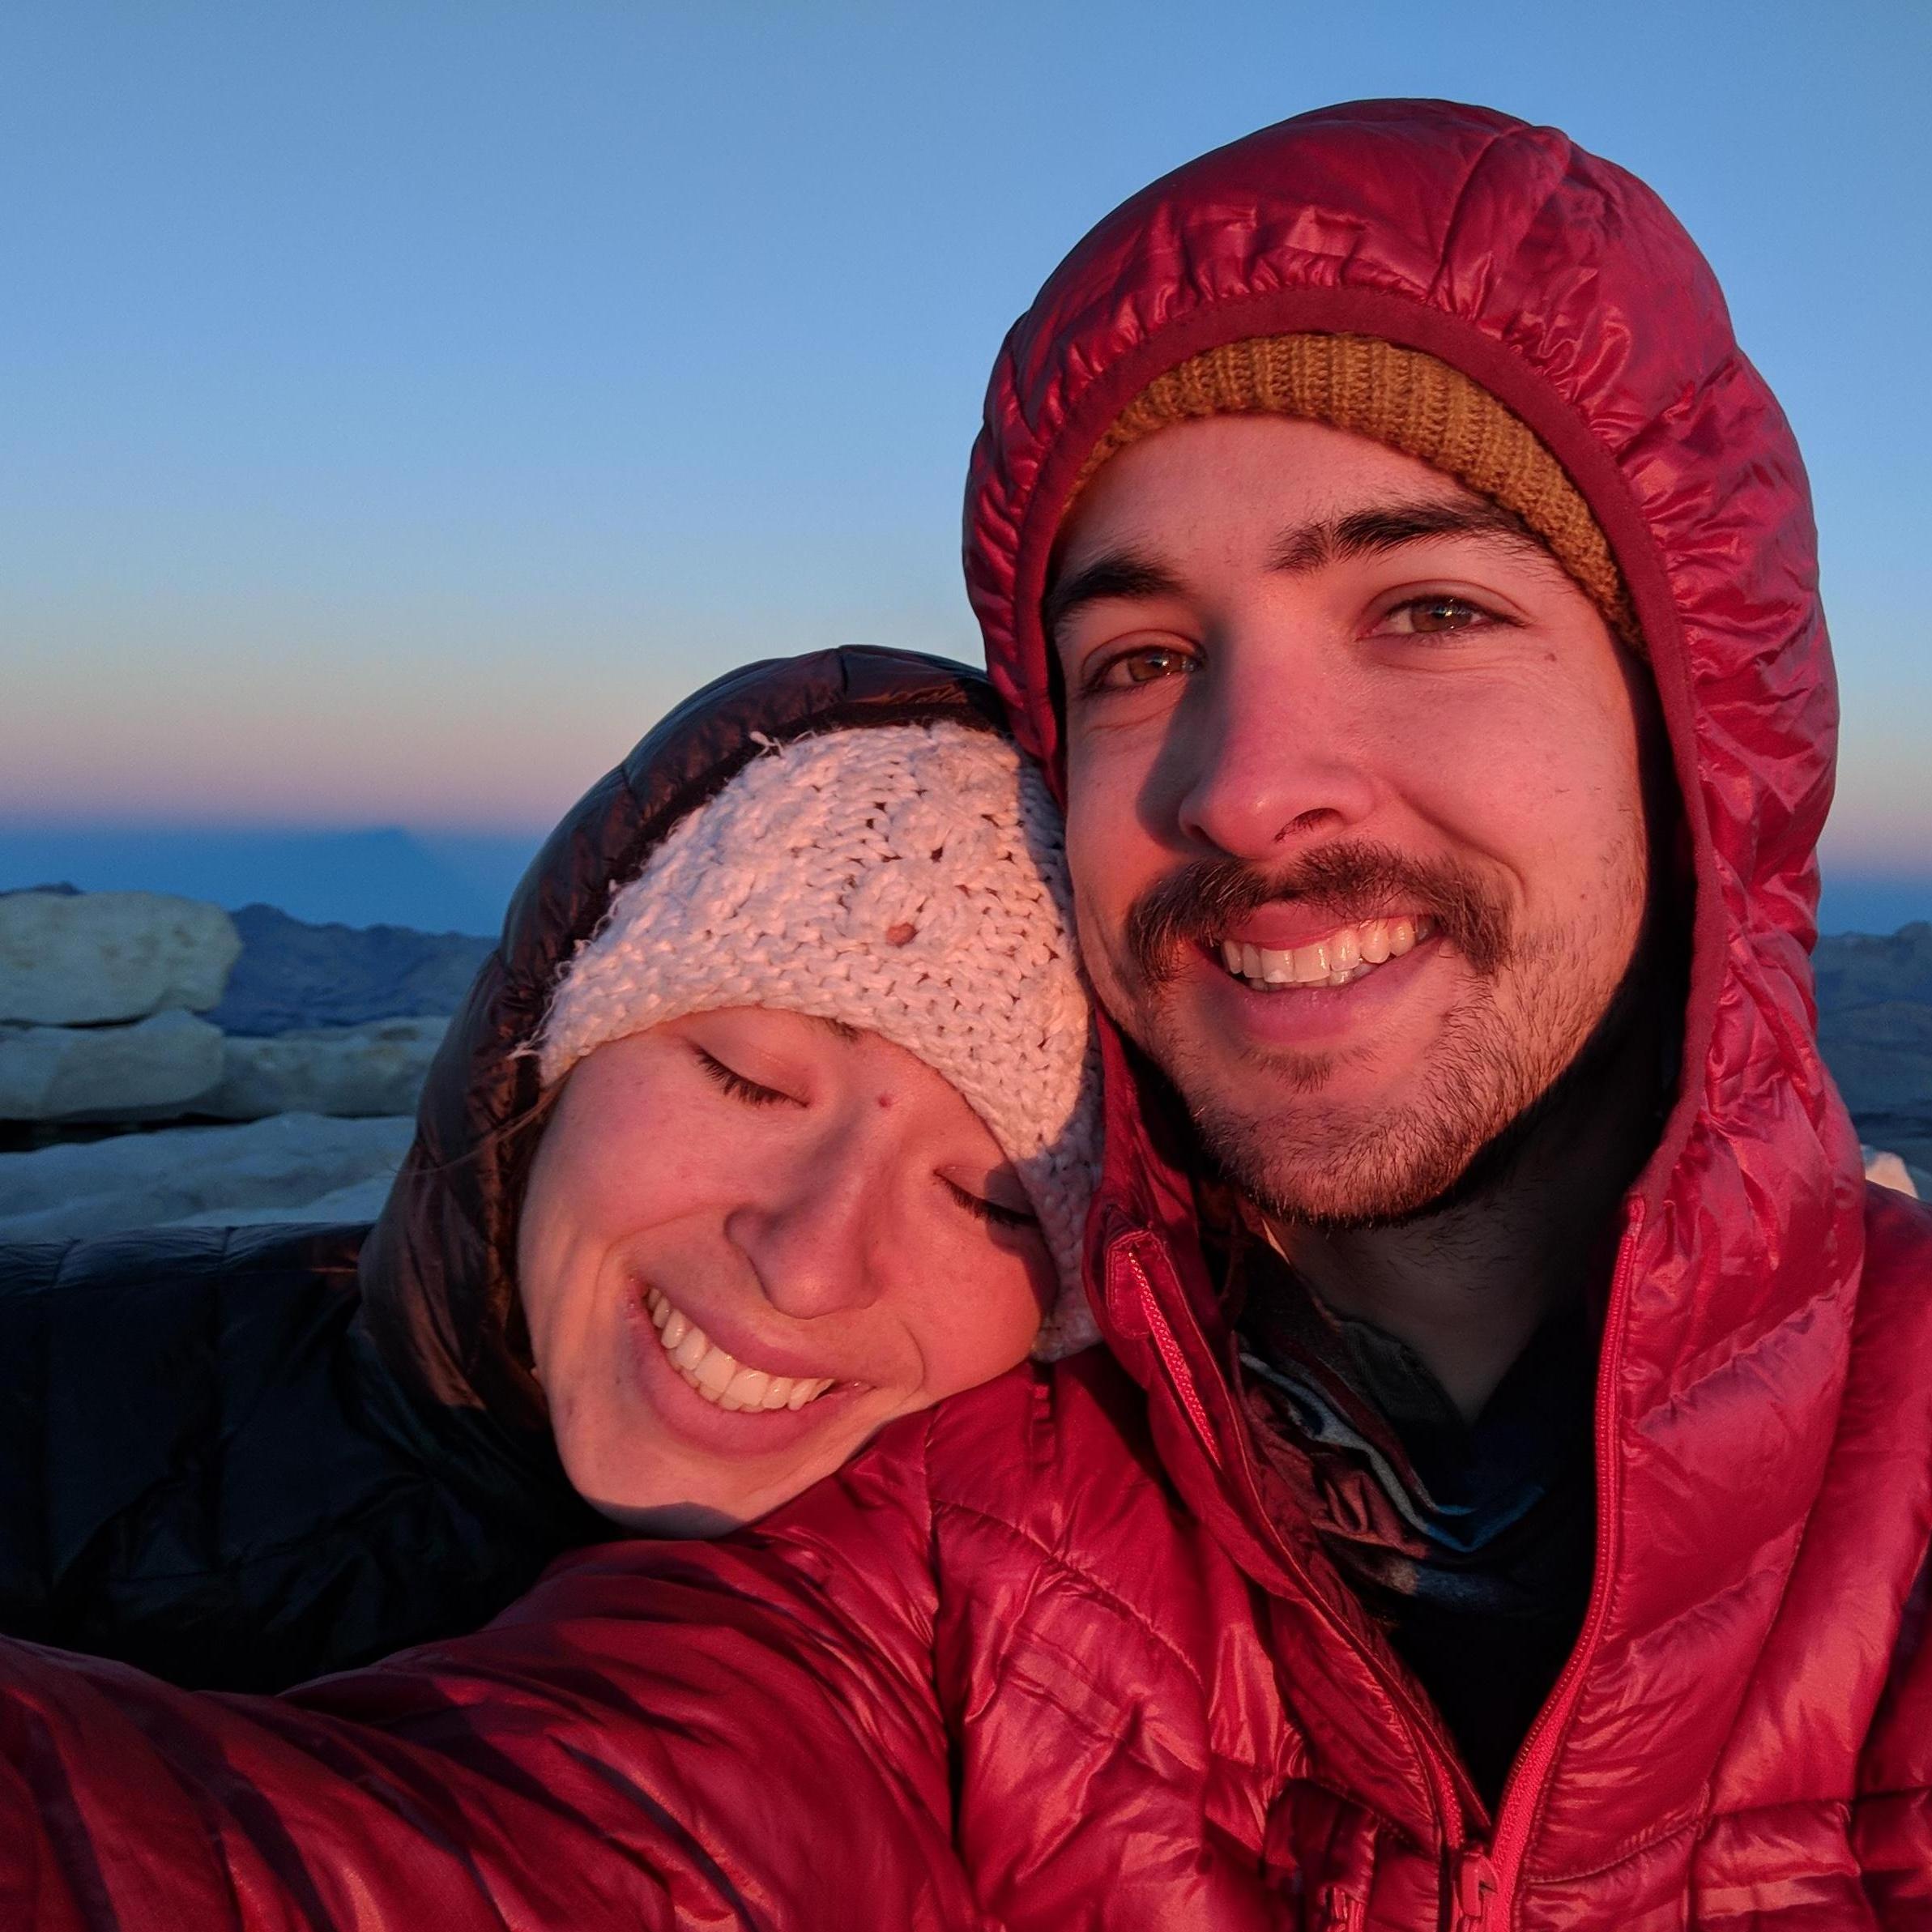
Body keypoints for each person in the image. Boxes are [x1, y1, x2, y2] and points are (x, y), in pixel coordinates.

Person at [0, 98, 1927, 1930]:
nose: (1245, 786)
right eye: (1143, 655)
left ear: (1691, 733)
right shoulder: (956, 1551)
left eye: (1422, 609)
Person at [0, 646, 1098, 1685]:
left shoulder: (1055, 1681)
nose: (807, 1268)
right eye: (744, 1076)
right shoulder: (42, 1397)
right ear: (540, 1067)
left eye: (985, 1199)